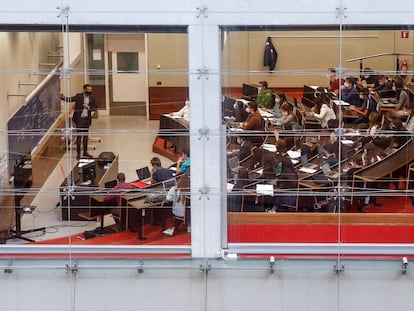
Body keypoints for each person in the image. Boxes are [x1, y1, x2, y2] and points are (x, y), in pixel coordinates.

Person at [61, 84, 96, 160]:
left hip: (87, 119)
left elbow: (94, 108)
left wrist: (88, 107)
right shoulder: (79, 96)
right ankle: (78, 154)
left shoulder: (92, 97)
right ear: (84, 90)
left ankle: (85, 152)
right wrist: (63, 97)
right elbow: (70, 99)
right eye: (88, 90)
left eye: (91, 90)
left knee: (85, 137)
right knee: (79, 137)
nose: (90, 91)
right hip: (79, 119)